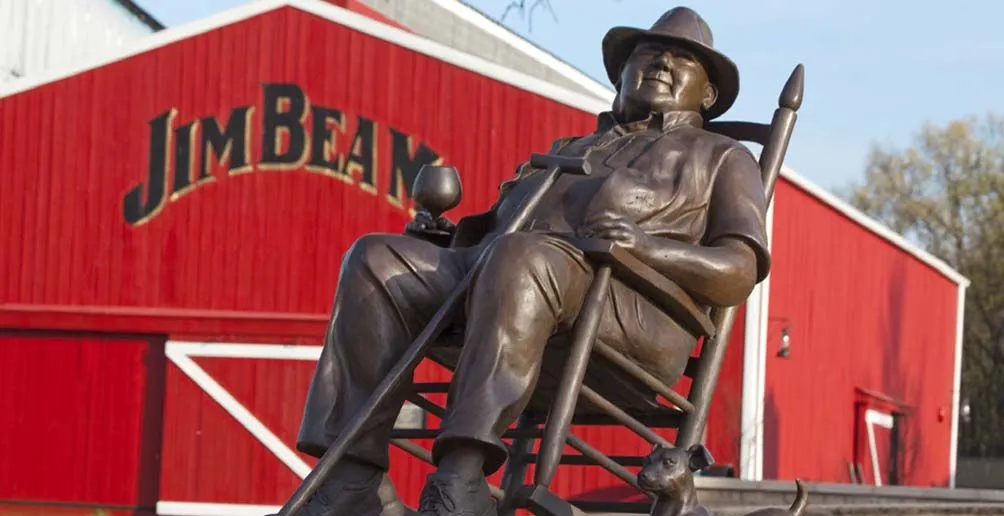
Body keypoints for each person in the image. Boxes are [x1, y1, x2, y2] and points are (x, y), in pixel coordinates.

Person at [293, 6, 770, 516]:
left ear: (709, 93)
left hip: (628, 313)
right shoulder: (568, 148)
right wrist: (447, 238)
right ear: (622, 71)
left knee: (522, 259)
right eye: (649, 53)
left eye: (682, 59)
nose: (661, 63)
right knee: (375, 258)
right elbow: (500, 231)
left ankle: (462, 476)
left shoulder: (721, 156)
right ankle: (351, 479)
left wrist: (645, 247)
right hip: (512, 282)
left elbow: (739, 269)